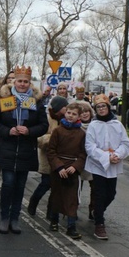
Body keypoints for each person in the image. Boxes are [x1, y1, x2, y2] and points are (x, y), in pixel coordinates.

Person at [0, 65, 48, 234]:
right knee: (8, 184)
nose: (22, 84)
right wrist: (8, 131)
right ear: (14, 81)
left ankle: (15, 218)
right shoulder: (5, 98)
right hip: (7, 148)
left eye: (25, 82)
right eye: (19, 81)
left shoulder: (36, 101)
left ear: (30, 83)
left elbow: (43, 125)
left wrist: (29, 131)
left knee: (20, 186)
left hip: (26, 150)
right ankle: (4, 218)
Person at [84, 94, 129, 240]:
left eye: (103, 106)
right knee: (99, 194)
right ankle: (99, 224)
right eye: (98, 107)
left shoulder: (117, 125)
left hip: (113, 165)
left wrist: (118, 154)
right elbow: (90, 146)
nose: (101, 109)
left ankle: (97, 211)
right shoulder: (93, 125)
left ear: (108, 107)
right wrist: (106, 157)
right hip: (98, 164)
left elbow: (125, 143)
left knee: (111, 194)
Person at [46, 102, 87, 239]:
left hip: (72, 169)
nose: (70, 116)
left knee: (72, 198)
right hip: (59, 168)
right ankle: (54, 220)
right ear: (65, 113)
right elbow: (51, 151)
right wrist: (58, 166)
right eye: (69, 113)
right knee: (56, 195)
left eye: (74, 114)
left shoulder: (81, 134)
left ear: (79, 116)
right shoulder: (57, 131)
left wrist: (75, 166)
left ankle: (71, 226)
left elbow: (83, 154)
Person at [26, 95, 69, 216]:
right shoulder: (48, 119)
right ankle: (33, 202)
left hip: (61, 159)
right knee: (45, 184)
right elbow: (39, 139)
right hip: (48, 158)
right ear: (59, 108)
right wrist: (54, 139)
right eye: (64, 107)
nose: (66, 109)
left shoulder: (66, 120)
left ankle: (51, 211)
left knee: (56, 188)